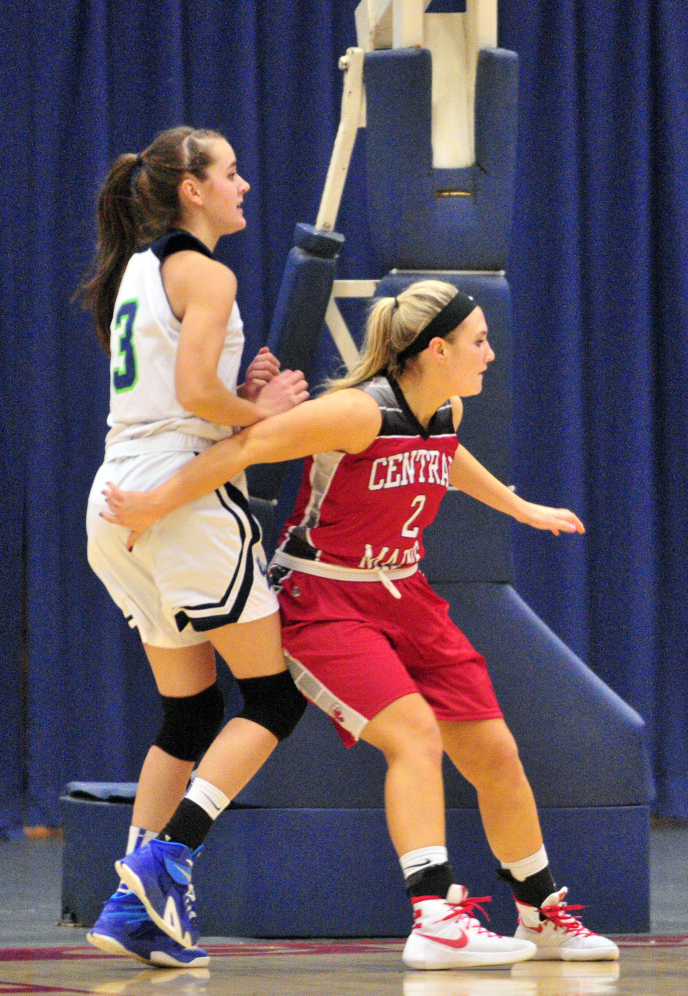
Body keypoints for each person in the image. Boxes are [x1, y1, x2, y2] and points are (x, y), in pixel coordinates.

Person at [104, 280, 619, 969]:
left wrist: (519, 508)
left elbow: (448, 459)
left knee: (496, 752)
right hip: (326, 597)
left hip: (403, 592)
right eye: (479, 341)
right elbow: (243, 450)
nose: (491, 353)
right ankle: (433, 914)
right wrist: (151, 505)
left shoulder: (446, 410)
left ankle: (541, 912)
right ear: (436, 349)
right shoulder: (356, 412)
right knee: (414, 735)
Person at [79, 126, 309, 968]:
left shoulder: (136, 271)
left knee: (187, 712)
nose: (244, 184)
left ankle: (131, 905)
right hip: (185, 497)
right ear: (192, 189)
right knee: (275, 700)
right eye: (231, 172)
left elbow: (188, 393)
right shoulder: (207, 271)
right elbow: (195, 393)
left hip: (115, 499)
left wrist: (236, 396)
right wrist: (271, 410)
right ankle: (165, 861)